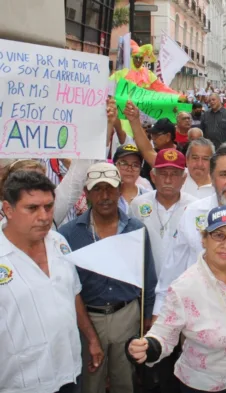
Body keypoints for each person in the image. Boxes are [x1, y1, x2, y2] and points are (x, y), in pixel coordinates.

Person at [127, 206, 226, 393]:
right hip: (203, 387)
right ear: (204, 239)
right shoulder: (185, 287)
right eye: (218, 235)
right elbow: (164, 334)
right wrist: (147, 347)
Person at [59, 162, 157, 393]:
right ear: (86, 192)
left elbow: (147, 277)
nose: (104, 196)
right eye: (97, 189)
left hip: (127, 315)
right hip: (88, 319)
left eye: (110, 188)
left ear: (120, 189)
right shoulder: (68, 235)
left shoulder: (136, 229)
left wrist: (146, 319)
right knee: (90, 382)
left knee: (125, 382)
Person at [1, 171, 99, 393]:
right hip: (20, 383)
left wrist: (91, 339)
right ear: (8, 209)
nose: (44, 216)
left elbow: (73, 293)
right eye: (32, 208)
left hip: (69, 371)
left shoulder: (59, 241)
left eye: (49, 206)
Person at [154, 142, 226, 317]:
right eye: (224, 174)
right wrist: (158, 317)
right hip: (196, 324)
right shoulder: (192, 213)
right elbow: (172, 271)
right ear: (212, 178)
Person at [129, 149, 195, 276]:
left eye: (175, 174)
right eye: (163, 174)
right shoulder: (138, 205)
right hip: (146, 283)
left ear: (184, 178)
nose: (168, 180)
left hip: (182, 286)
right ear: (153, 177)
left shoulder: (194, 208)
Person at [112, 144, 150, 214]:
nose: (129, 169)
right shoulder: (108, 195)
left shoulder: (148, 196)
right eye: (124, 163)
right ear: (115, 165)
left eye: (135, 165)